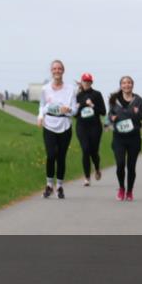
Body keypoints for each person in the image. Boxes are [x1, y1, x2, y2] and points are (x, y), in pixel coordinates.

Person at [36, 60, 77, 199]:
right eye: (54, 68)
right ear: (51, 71)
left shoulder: (71, 89)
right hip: (49, 124)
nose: (57, 71)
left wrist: (69, 109)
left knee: (61, 157)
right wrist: (40, 116)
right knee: (51, 154)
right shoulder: (45, 89)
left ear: (63, 71)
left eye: (59, 68)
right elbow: (42, 105)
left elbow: (75, 110)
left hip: (65, 125)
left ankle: (59, 186)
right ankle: (49, 185)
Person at [108, 76, 142, 201]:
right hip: (119, 137)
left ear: (132, 85)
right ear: (120, 85)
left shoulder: (138, 100)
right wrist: (112, 118)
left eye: (129, 83)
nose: (127, 85)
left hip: (133, 137)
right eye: (124, 83)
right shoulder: (114, 100)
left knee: (131, 166)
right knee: (120, 164)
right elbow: (110, 114)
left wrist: (138, 112)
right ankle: (121, 188)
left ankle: (130, 191)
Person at [75, 72, 106, 187]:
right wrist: (79, 107)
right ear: (82, 82)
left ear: (91, 82)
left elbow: (103, 112)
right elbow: (74, 114)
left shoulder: (97, 94)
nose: (86, 83)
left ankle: (97, 168)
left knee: (93, 151)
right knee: (85, 150)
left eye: (88, 81)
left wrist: (92, 105)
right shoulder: (77, 96)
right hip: (82, 126)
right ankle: (87, 177)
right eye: (84, 81)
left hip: (95, 126)